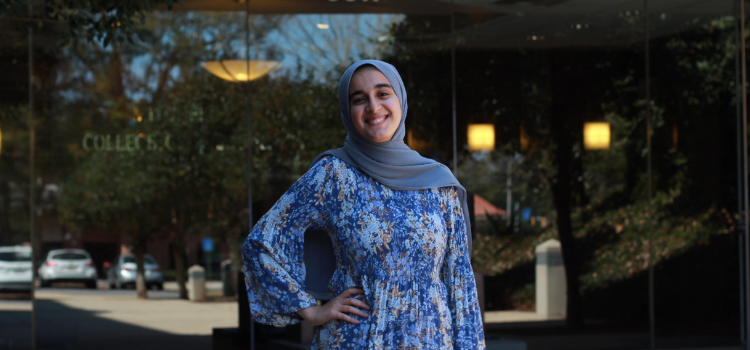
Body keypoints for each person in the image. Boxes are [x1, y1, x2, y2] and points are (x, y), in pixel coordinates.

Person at [242, 60, 485, 349]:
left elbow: (460, 282)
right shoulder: (334, 174)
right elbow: (260, 244)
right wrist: (311, 310)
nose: (373, 107)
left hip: (432, 339)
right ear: (348, 112)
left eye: (383, 93)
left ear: (400, 100)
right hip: (357, 338)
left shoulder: (438, 181)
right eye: (359, 99)